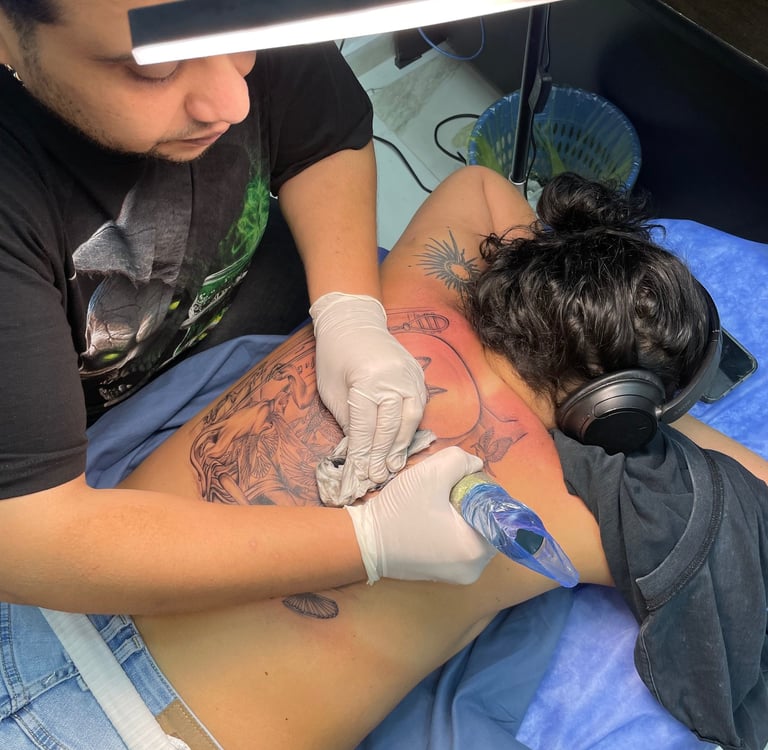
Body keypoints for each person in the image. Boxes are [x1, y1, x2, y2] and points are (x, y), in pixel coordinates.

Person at [2, 164, 766, 750]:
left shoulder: (407, 301)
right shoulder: (569, 512)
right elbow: (750, 491)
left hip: (44, 599)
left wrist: (567, 271)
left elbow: (482, 186)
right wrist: (646, 425)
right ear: (620, 406)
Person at [0, 0, 431, 618]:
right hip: (86, 435)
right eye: (156, 69)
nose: (234, 101)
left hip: (245, 303)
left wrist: (350, 310)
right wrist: (370, 543)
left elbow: (325, 134)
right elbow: (30, 539)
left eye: (245, 33)